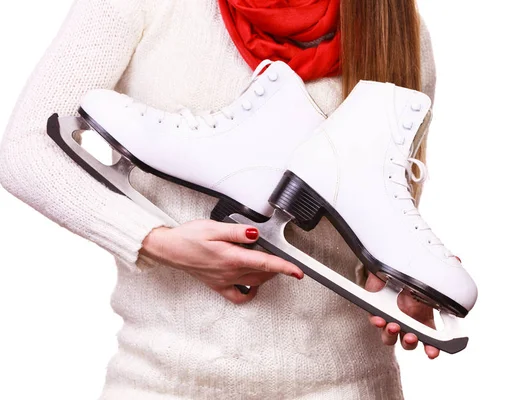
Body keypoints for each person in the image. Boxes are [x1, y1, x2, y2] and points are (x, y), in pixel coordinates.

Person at [0, 0, 439, 398]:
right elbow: (27, 146)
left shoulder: (393, 22)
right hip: (161, 381)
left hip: (348, 385)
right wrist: (154, 240)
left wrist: (401, 283)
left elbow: (384, 203)